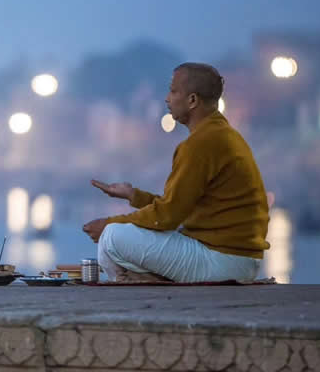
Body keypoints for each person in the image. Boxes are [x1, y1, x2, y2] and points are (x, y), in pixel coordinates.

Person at [82, 62, 270, 283]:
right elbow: (180, 207)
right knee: (117, 234)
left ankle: (140, 281)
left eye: (173, 91)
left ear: (192, 100)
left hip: (223, 261)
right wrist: (135, 196)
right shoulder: (222, 135)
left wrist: (108, 223)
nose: (167, 99)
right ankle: (147, 278)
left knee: (112, 237)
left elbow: (167, 216)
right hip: (239, 261)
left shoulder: (200, 143)